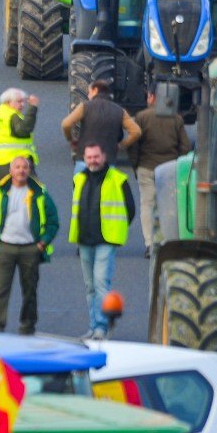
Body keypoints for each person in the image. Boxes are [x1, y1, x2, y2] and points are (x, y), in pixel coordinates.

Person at [0, 155, 56, 335]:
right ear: (11, 170)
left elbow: (53, 221)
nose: (21, 170)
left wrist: (43, 242)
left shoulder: (40, 193)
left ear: (29, 171)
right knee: (1, 289)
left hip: (30, 249)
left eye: (25, 167)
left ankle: (27, 326)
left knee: (30, 291)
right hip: (5, 248)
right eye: (17, 167)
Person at [71, 143, 135, 339]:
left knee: (100, 283)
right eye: (89, 157)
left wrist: (118, 230)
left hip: (106, 239)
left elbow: (130, 209)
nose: (93, 160)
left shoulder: (118, 179)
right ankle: (93, 326)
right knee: (90, 286)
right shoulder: (79, 179)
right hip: (84, 239)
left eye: (96, 157)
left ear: (104, 157)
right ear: (84, 158)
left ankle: (102, 327)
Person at [131, 86, 191, 252]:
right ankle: (166, 242)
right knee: (169, 206)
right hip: (169, 169)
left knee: (147, 205)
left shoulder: (141, 117)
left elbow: (133, 144)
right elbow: (185, 146)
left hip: (146, 167)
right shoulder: (177, 119)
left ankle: (150, 244)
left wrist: (136, 164)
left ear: (151, 97)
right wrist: (177, 161)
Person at [60, 80, 140, 174]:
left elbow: (66, 124)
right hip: (108, 159)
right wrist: (121, 145)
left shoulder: (85, 107)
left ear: (95, 90)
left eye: (89, 92)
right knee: (105, 187)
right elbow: (136, 131)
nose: (88, 95)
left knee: (81, 187)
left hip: (85, 158)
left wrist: (71, 139)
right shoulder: (119, 111)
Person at [0, 87, 40, 185]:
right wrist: (33, 108)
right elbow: (24, 129)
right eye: (19, 102)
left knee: (0, 196)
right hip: (17, 165)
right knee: (34, 193)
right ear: (7, 102)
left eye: (23, 102)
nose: (22, 105)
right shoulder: (12, 116)